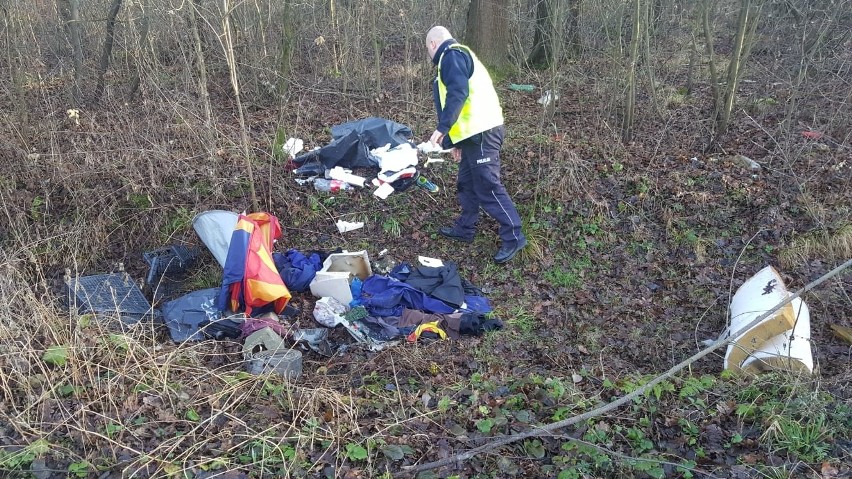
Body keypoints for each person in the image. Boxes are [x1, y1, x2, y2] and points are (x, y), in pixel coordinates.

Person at [425, 26, 527, 264]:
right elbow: (466, 101)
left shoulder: (452, 55)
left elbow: (458, 94)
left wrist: (442, 129)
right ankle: (465, 229)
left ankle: (514, 236)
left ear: (432, 44)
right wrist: (456, 142)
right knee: (466, 183)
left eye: (427, 48)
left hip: (484, 133)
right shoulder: (456, 56)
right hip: (473, 136)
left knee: (487, 186)